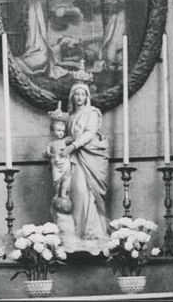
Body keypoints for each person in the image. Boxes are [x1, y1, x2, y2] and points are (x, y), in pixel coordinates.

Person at [62, 81, 109, 245]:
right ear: (72, 97)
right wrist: (59, 145)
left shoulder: (92, 113)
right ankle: (79, 231)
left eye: (82, 94)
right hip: (74, 158)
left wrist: (72, 146)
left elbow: (90, 133)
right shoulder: (70, 117)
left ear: (87, 96)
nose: (79, 97)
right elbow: (69, 136)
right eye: (76, 94)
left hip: (90, 156)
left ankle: (93, 231)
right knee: (77, 191)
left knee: (87, 190)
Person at [5, 0, 53, 73]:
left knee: (38, 43)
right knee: (36, 44)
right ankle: (31, 55)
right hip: (29, 17)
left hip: (32, 14)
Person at [100, 0, 127, 69]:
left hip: (121, 15)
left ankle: (118, 62)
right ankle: (110, 62)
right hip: (112, 15)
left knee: (117, 39)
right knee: (109, 36)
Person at [45, 106, 73, 215]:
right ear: (52, 131)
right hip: (56, 165)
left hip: (65, 164)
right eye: (58, 130)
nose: (61, 133)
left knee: (67, 179)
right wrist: (48, 154)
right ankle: (57, 193)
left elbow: (73, 137)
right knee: (56, 180)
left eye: (62, 131)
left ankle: (63, 194)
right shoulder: (51, 144)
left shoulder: (65, 141)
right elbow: (46, 153)